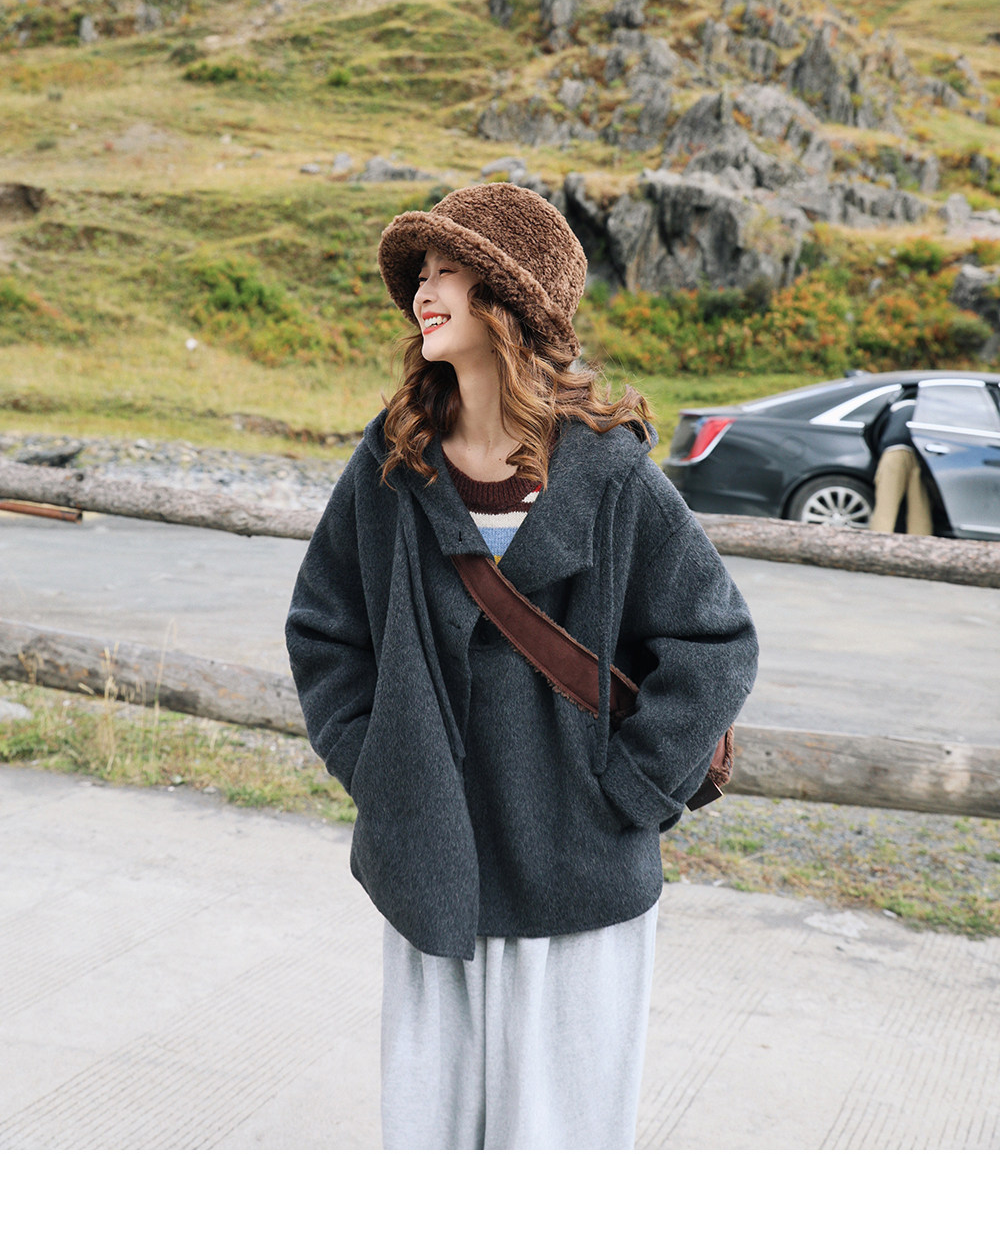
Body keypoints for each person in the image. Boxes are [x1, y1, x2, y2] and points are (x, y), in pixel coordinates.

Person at [285, 182, 758, 1150]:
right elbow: (323, 630)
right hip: (433, 876)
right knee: (432, 1151)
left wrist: (627, 789)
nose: (424, 291)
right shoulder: (393, 464)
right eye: (421, 273)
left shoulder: (610, 476)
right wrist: (383, 768)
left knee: (557, 1155)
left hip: (577, 881)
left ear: (508, 301)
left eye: (448, 272)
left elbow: (716, 643)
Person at [869, 392, 933, 535]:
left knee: (886, 504)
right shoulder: (925, 410)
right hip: (917, 454)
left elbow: (878, 434)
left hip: (893, 454)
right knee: (919, 503)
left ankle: (879, 537)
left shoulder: (894, 408)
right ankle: (922, 540)